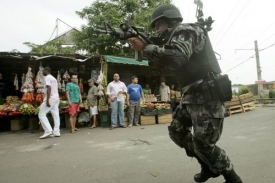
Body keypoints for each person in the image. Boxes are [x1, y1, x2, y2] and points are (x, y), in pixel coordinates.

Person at [127, 3, 242, 183]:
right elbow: (160, 63)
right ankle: (207, 166)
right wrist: (144, 46)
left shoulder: (187, 30)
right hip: (191, 97)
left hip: (207, 97)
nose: (156, 29)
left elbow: (176, 59)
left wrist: (146, 47)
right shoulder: (169, 42)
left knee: (204, 144)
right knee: (177, 131)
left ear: (171, 20)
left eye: (158, 24)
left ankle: (232, 176)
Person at [38, 67, 60, 139]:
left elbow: (49, 88)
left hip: (50, 98)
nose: (42, 72)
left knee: (41, 114)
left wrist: (47, 100)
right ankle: (56, 131)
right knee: (55, 114)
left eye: (43, 70)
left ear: (46, 71)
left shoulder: (47, 77)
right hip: (56, 98)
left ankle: (48, 130)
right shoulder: (53, 78)